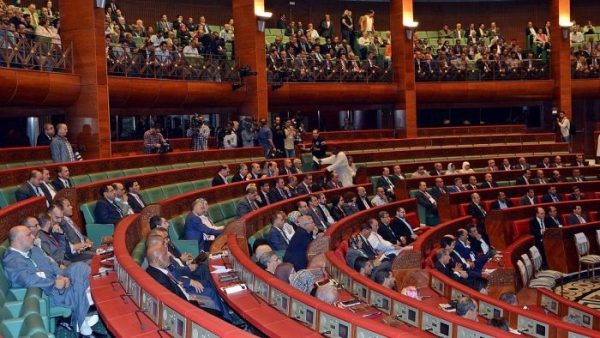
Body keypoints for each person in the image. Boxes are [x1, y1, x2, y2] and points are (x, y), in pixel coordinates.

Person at [3, 226, 96, 335]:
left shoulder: (34, 250)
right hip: (46, 292)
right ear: (18, 239)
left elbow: (51, 265)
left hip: (58, 280)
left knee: (80, 267)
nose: (33, 236)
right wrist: (55, 283)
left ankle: (79, 315)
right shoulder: (11, 260)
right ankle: (81, 319)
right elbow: (27, 280)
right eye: (29, 235)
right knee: (85, 286)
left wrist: (62, 277)